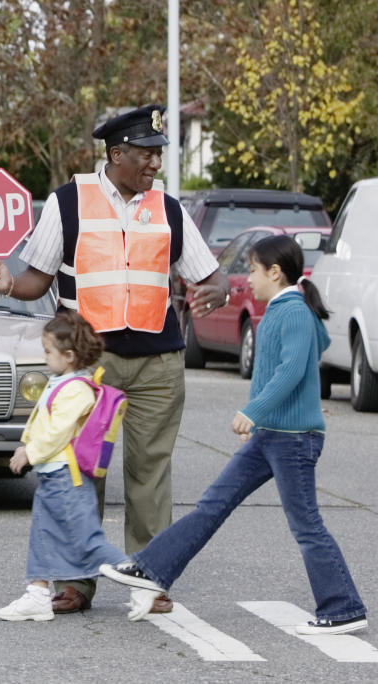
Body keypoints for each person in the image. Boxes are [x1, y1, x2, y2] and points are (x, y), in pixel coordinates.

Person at [0, 104, 230, 615]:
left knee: (150, 472)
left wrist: (217, 293)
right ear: (116, 154)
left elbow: (210, 275)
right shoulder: (68, 202)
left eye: (158, 154)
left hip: (158, 362)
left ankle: (151, 577)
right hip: (91, 366)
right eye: (146, 154)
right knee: (81, 471)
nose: (155, 164)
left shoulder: (169, 208)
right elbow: (38, 278)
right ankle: (75, 581)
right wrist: (7, 282)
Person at [100, 235, 368, 633]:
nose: (249, 278)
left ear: (275, 273)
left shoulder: (292, 310)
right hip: (271, 435)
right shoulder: (286, 308)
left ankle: (344, 607)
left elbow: (293, 370)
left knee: (306, 524)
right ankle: (151, 567)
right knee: (213, 504)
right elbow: (315, 345)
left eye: (254, 270)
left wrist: (252, 412)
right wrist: (260, 422)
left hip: (293, 438)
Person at [0, 310, 129, 621]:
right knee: (42, 534)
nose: (44, 357)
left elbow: (57, 432)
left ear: (68, 356)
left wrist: (30, 452)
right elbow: (46, 425)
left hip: (67, 480)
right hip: (54, 477)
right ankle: (37, 593)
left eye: (48, 351)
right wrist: (28, 445)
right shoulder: (64, 381)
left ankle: (144, 577)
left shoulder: (76, 389)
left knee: (88, 543)